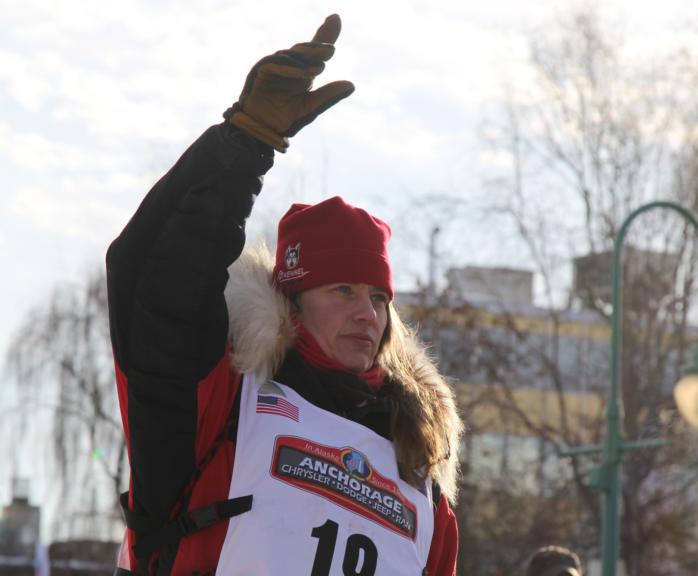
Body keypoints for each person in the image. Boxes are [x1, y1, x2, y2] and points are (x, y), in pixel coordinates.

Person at [107, 13, 462, 576]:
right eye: (342, 290)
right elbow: (158, 277)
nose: (365, 313)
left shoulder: (421, 479)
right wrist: (245, 145)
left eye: (378, 297)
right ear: (290, 306)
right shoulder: (226, 402)